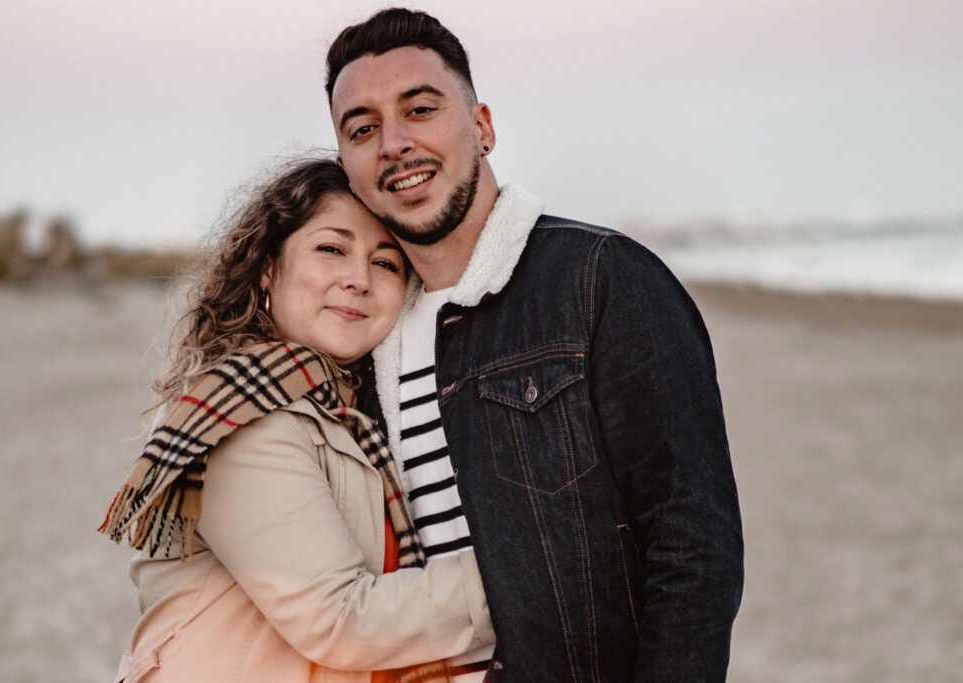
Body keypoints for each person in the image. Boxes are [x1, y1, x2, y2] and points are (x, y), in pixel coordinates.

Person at [324, 9, 744, 682]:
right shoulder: (358, 340)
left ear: (483, 127)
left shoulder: (603, 281)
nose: (394, 143)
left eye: (420, 108)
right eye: (364, 128)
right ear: (347, 165)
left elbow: (694, 546)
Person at [100, 158, 494, 683]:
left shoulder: (344, 412)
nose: (358, 279)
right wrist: (531, 573)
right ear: (268, 266)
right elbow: (338, 618)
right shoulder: (241, 412)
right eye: (332, 249)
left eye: (386, 263)